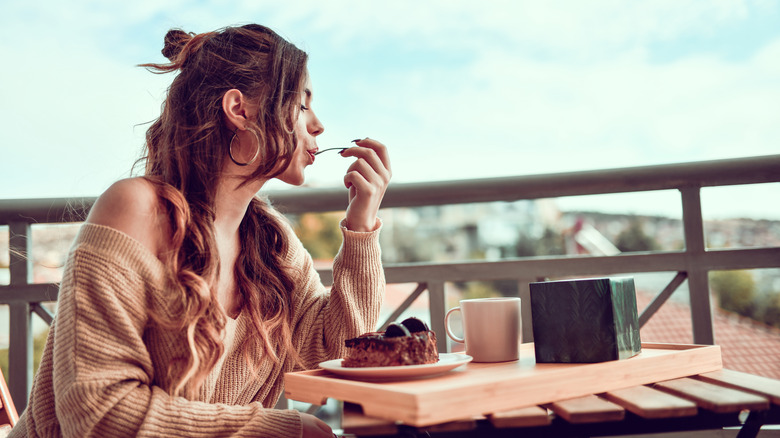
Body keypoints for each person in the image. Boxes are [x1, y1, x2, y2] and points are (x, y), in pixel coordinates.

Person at [10, 24, 391, 438]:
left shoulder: (269, 240)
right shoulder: (136, 210)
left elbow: (339, 349)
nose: (318, 125)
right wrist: (278, 430)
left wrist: (361, 226)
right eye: (301, 106)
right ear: (239, 109)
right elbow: (98, 414)